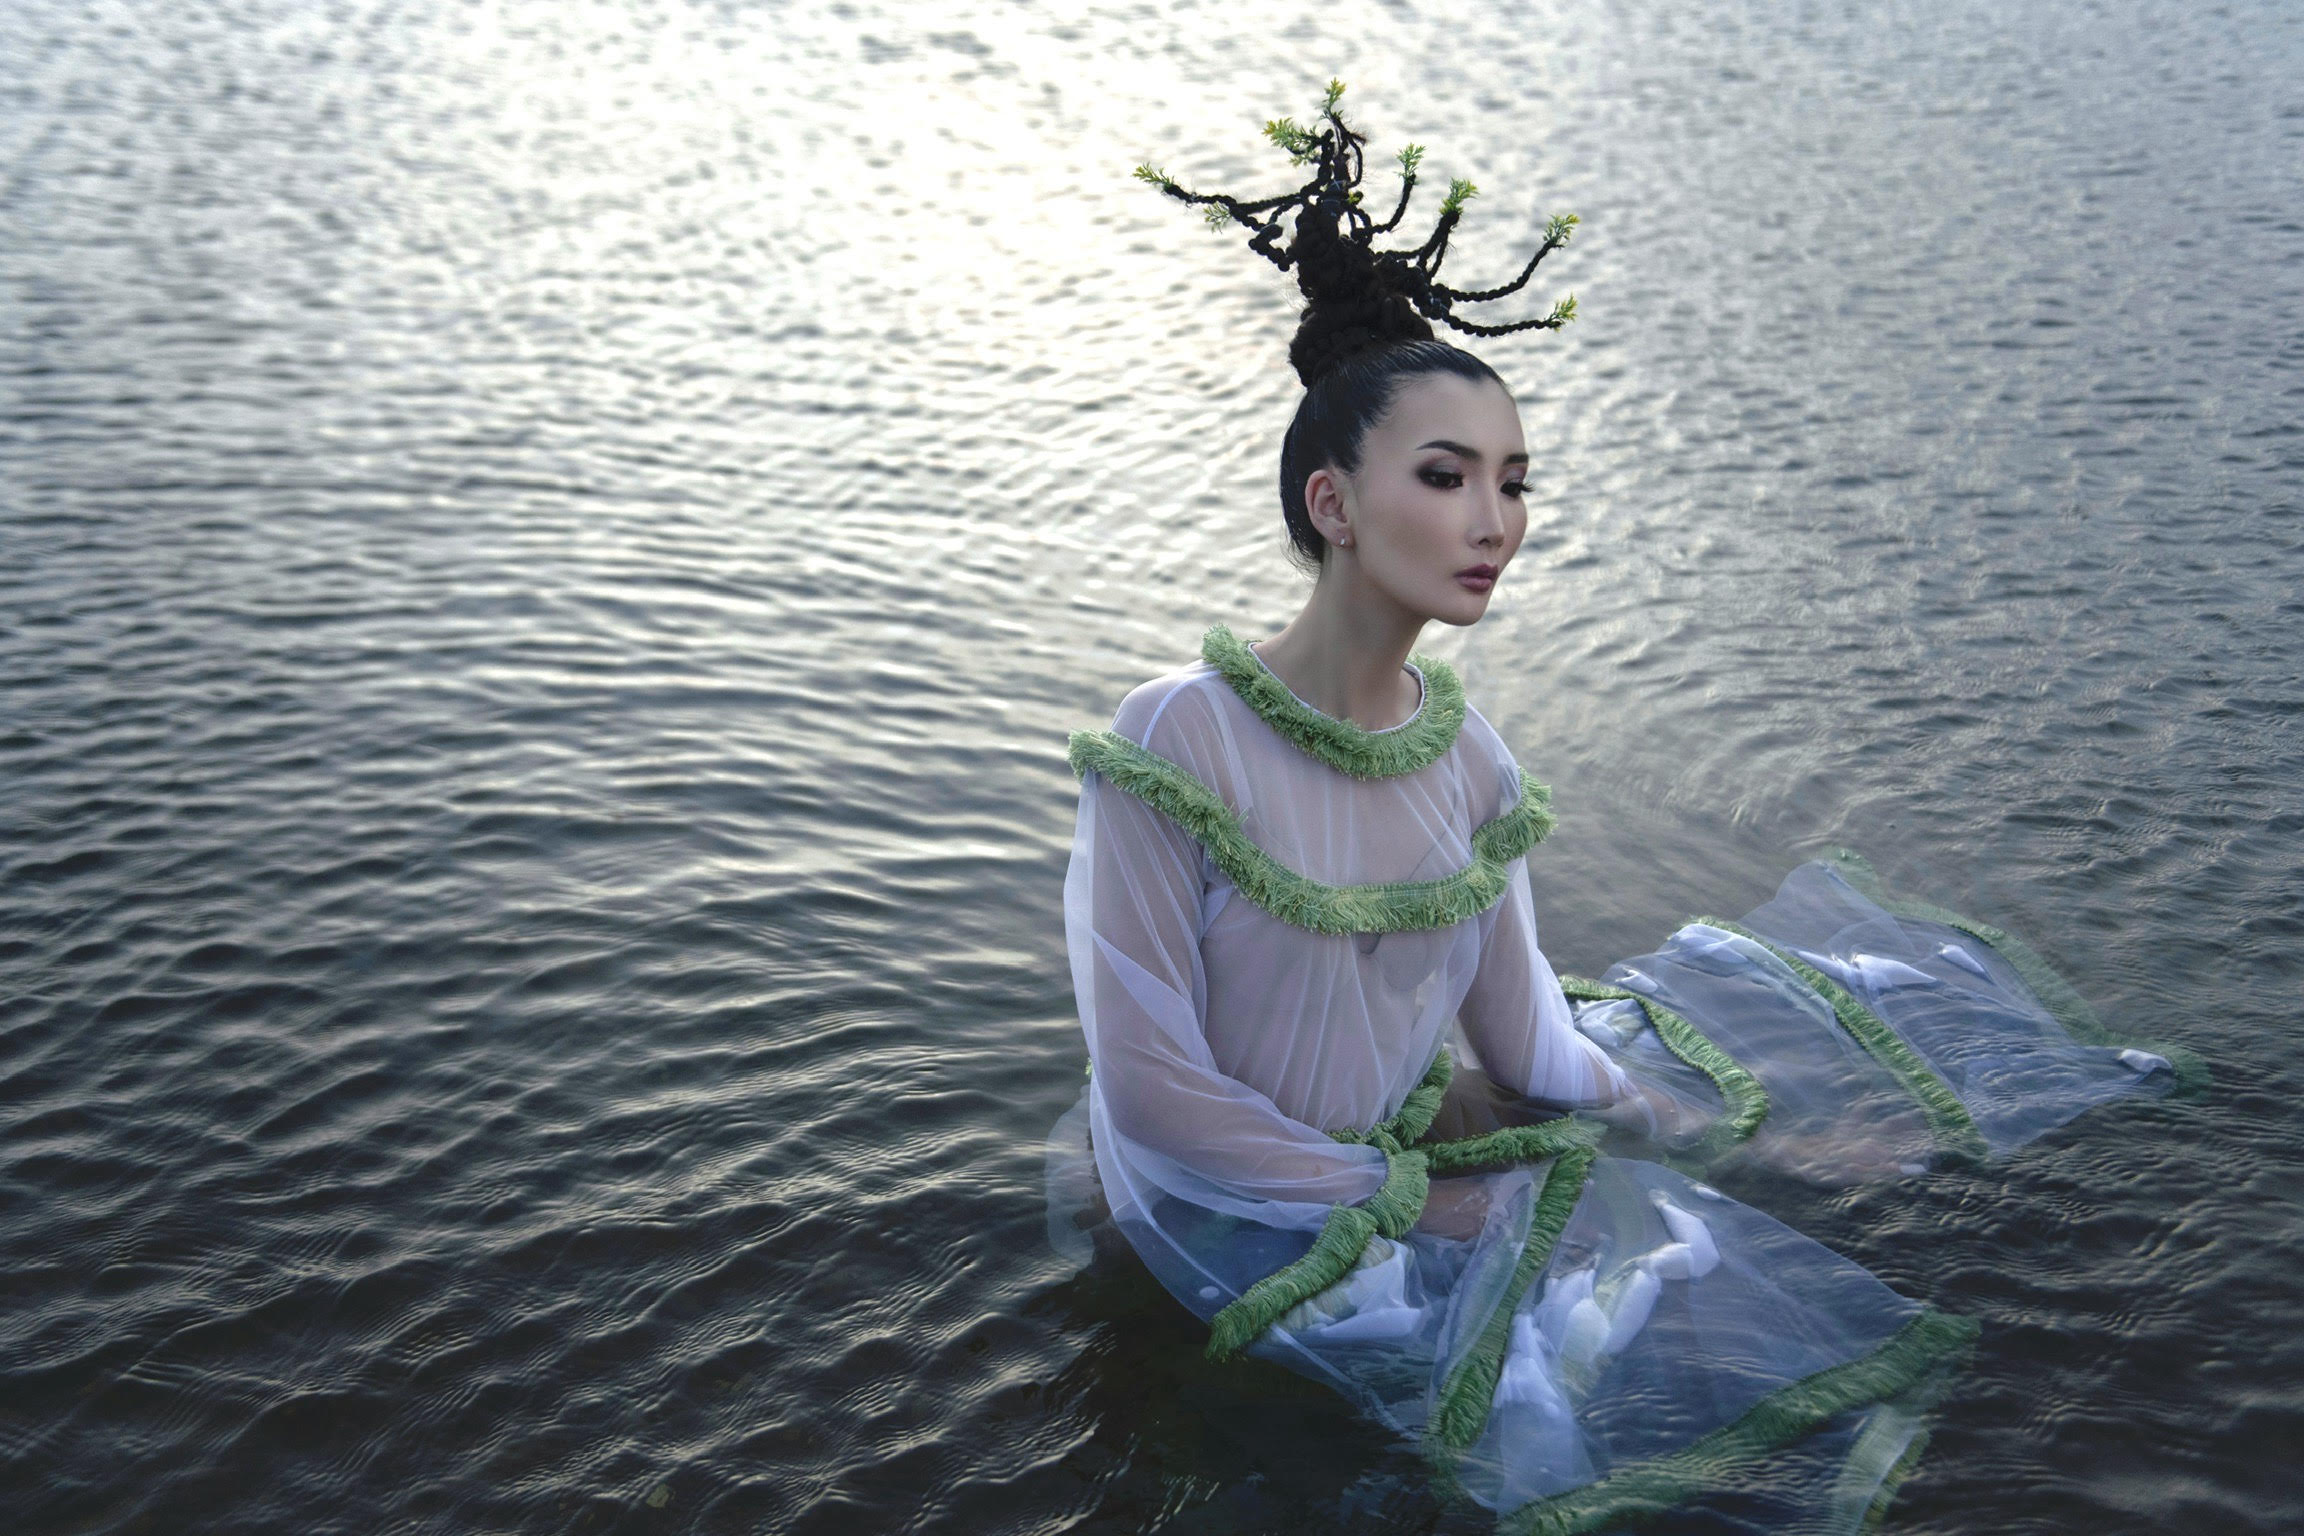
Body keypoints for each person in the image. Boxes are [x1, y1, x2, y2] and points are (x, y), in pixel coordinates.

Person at [1046, 85, 2186, 1533]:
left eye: (1514, 484)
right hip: (1194, 1201)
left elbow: (1526, 1040)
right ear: (1332, 505)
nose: (1494, 523)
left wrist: (1732, 1142)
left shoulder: (1471, 764)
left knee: (1673, 1310)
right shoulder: (1177, 738)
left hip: (1392, 1156)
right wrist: (1413, 1203)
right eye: (1446, 478)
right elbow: (1154, 1089)